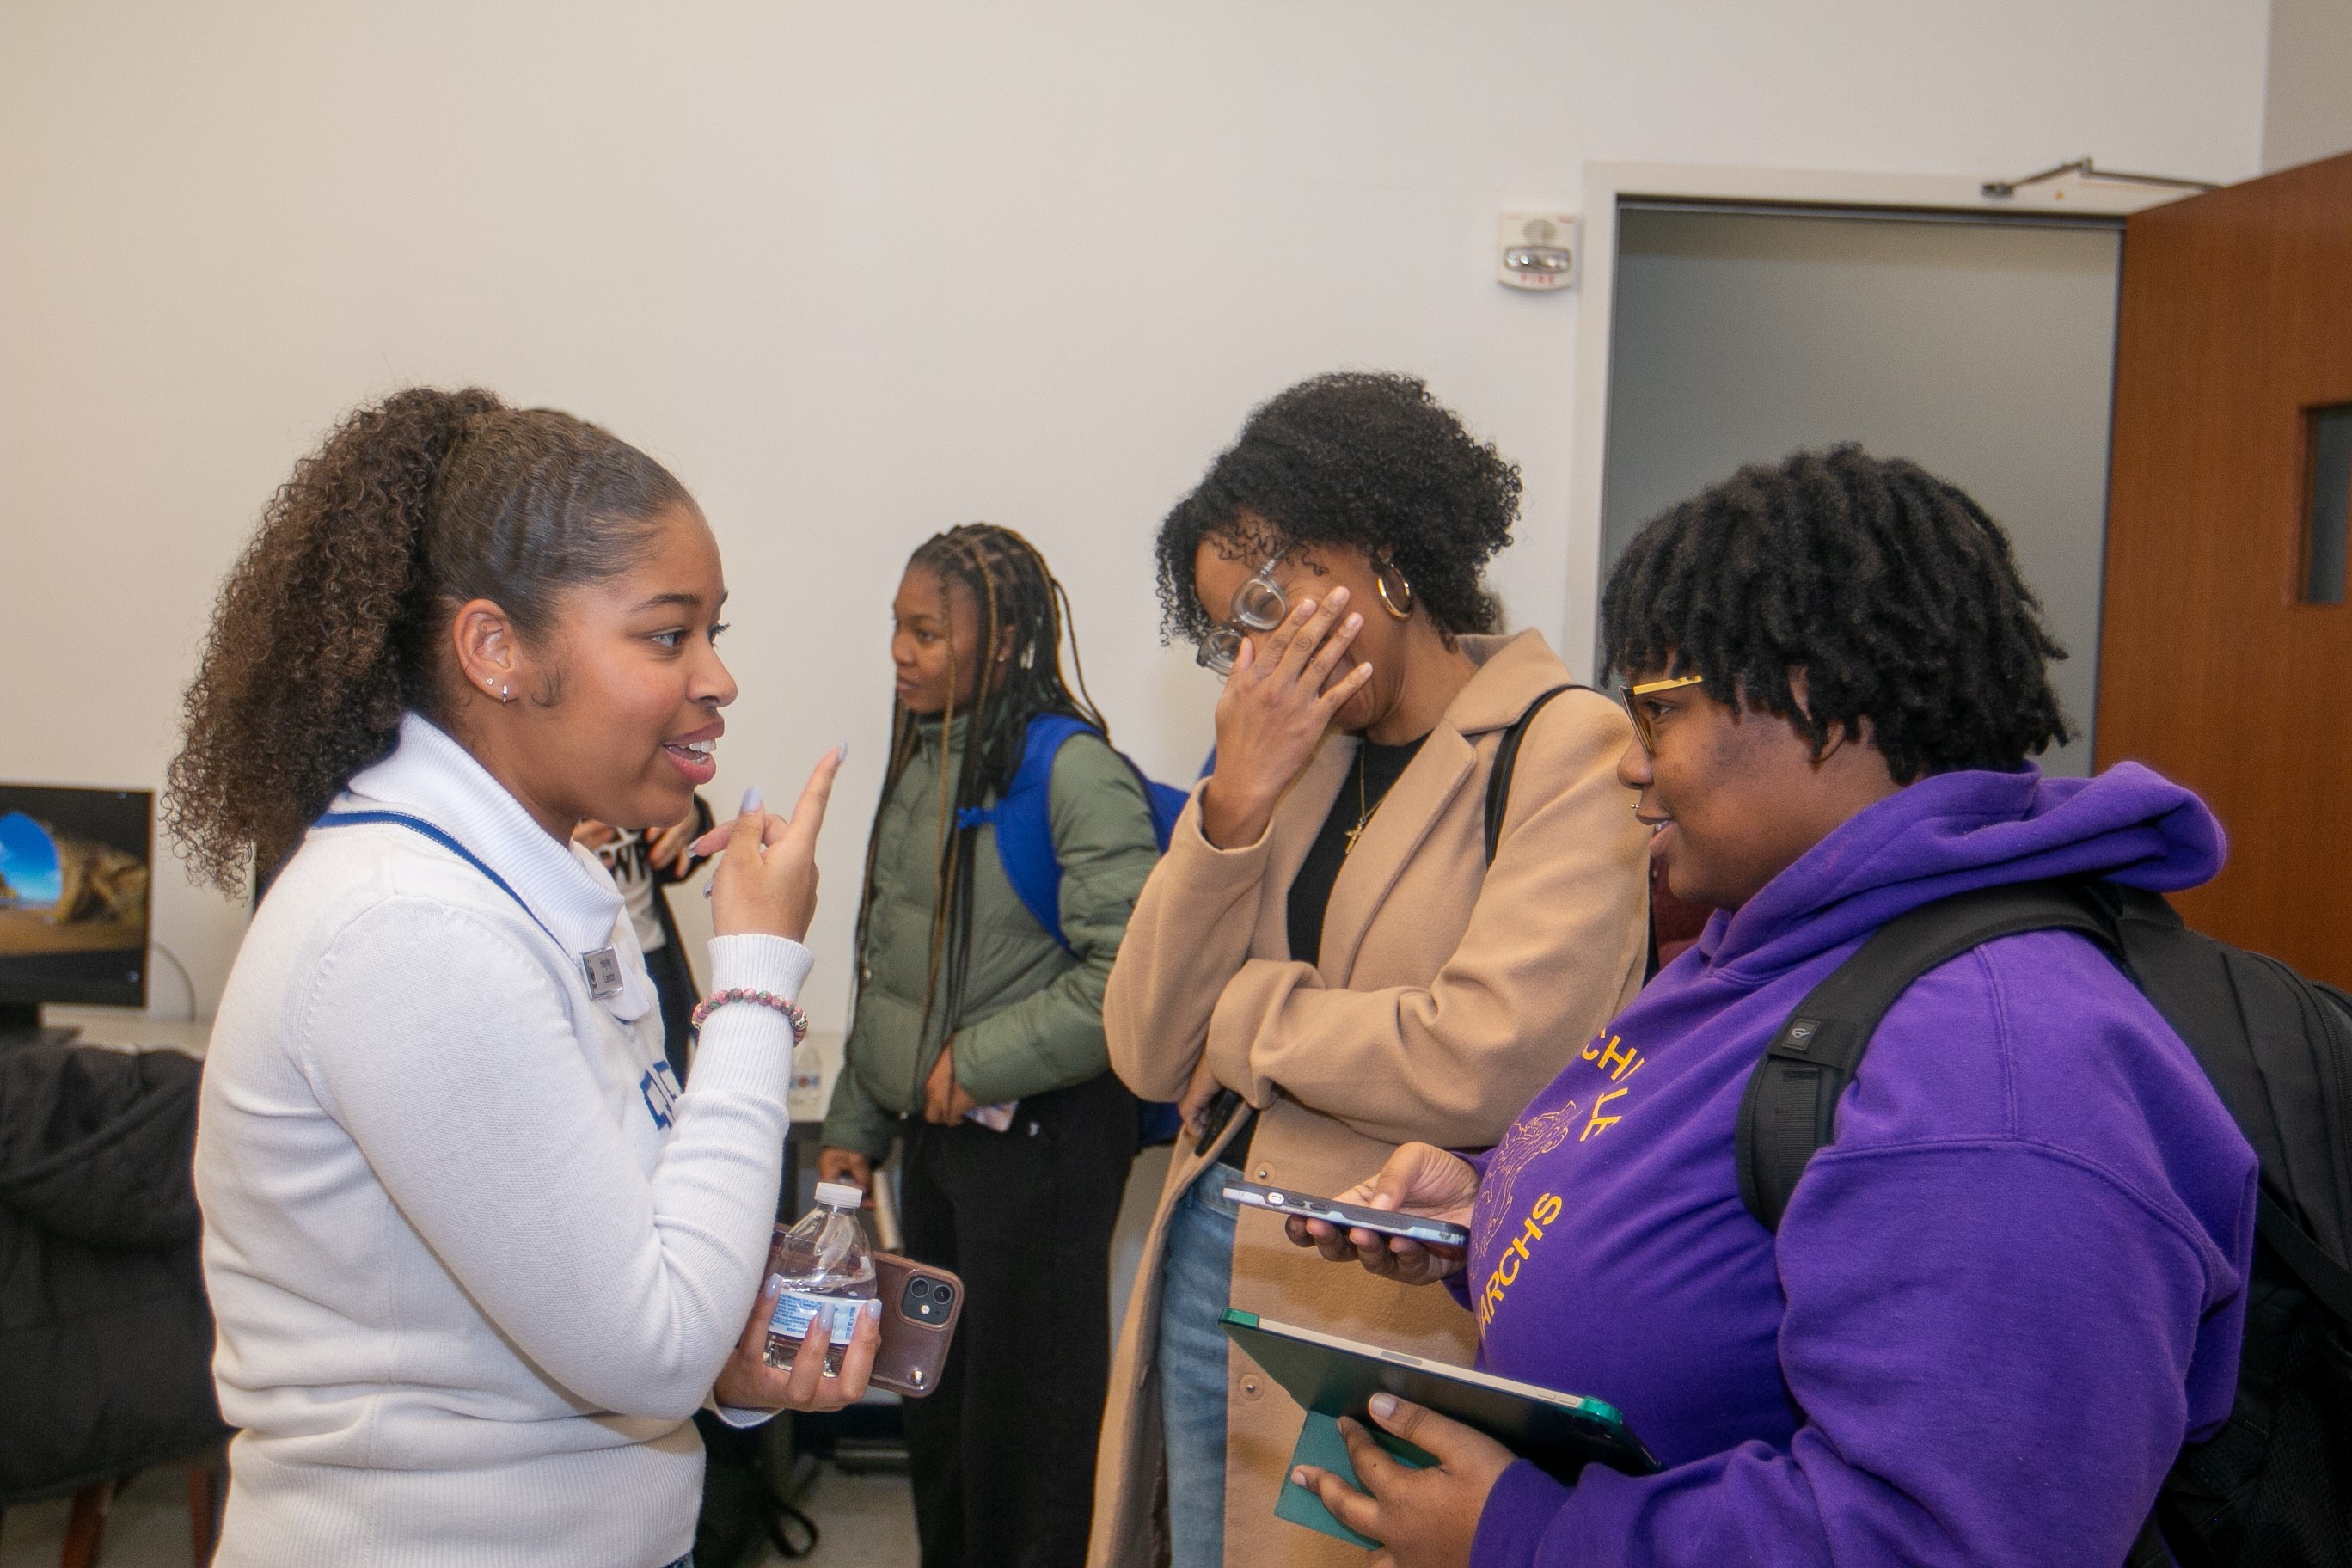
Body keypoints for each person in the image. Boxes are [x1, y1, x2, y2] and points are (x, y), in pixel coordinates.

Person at [1283, 445, 2258, 1567]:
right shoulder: (1779, 936)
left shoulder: (2005, 1077)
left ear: (1815, 704)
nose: (1632, 766)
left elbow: (1935, 1542)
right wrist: (1496, 1209)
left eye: (1660, 712)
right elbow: (1723, 1228)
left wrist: (1521, 1534)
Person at [172, 388, 873, 1568]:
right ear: (496, 651)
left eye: (715, 633)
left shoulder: (536, 893)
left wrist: (726, 1361)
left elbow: (624, 1275)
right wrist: (757, 973)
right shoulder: (409, 932)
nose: (718, 679)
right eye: (668, 636)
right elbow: (649, 1348)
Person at [1093, 373, 1653, 1568]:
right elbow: (1142, 1045)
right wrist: (1232, 804)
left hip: (1387, 1319)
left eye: (1267, 598)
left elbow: (1486, 1057)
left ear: (1387, 557)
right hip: (1205, 1267)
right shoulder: (1287, 762)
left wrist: (1242, 1019)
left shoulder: (1567, 744)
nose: (1257, 653)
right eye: (1231, 631)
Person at [816, 524, 1162, 1568]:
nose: (900, 652)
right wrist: (854, 1124)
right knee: (938, 1403)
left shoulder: (1074, 772)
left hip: (1044, 1146)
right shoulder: (924, 756)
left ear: (1004, 641)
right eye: (896, 627)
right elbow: (895, 969)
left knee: (1026, 1428)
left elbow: (1129, 979)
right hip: (938, 1142)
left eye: (926, 632)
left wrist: (975, 1065)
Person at [576, 800, 711, 1081]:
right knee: (609, 1075)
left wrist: (692, 817)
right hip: (589, 963)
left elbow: (678, 854)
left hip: (655, 955)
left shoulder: (626, 786)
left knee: (670, 1075)